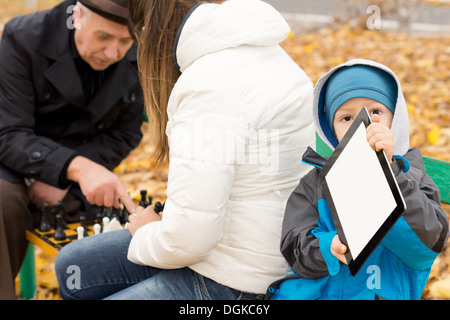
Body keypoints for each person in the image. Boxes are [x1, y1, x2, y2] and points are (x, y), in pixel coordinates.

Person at [55, 0, 315, 300]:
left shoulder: (208, 86)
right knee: (72, 265)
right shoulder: (261, 50)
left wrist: (146, 233)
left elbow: (190, 239)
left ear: (147, 32)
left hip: (238, 281)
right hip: (246, 247)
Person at [267, 59, 449, 300]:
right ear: (331, 131)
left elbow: (426, 247)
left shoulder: (412, 177)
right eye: (346, 118)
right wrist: (326, 248)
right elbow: (295, 245)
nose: (362, 126)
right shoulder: (315, 184)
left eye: (376, 112)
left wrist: (391, 173)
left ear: (395, 121)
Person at [0, 0, 143, 300]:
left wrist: (67, 174)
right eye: (103, 37)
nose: (113, 53)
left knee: (122, 218)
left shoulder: (138, 54)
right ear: (76, 16)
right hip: (13, 163)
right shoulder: (23, 38)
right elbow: (8, 132)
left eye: (125, 41)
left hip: (81, 173)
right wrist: (69, 167)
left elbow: (125, 133)